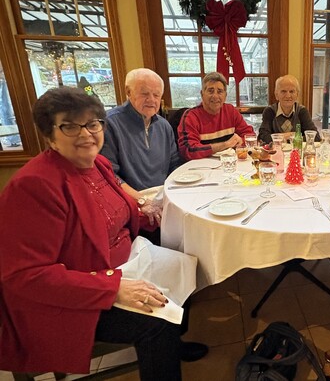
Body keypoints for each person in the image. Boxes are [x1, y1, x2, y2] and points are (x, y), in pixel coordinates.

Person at [0, 87, 207, 380]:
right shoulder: (33, 186)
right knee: (157, 324)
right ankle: (165, 338)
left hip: (123, 263)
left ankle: (174, 340)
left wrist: (146, 214)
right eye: (70, 126)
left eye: (92, 123)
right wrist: (113, 288)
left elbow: (111, 214)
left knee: (184, 263)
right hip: (76, 295)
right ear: (50, 136)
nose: (86, 133)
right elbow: (24, 276)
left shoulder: (98, 163)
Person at [101, 68, 181, 224]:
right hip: (130, 202)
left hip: (163, 196)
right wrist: (141, 201)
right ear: (128, 92)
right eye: (144, 93)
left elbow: (174, 165)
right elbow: (108, 175)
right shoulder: (110, 124)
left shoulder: (164, 126)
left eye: (156, 95)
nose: (151, 100)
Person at [178, 72, 256, 160]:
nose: (215, 96)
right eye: (210, 91)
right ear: (202, 94)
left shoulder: (231, 111)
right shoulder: (191, 117)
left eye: (220, 92)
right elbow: (188, 150)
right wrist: (225, 145)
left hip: (230, 163)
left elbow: (250, 136)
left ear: (225, 96)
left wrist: (241, 140)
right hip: (202, 165)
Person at [258, 75, 319, 144]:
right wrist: (288, 136)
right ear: (276, 95)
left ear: (297, 95)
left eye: (292, 91)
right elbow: (263, 137)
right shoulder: (270, 111)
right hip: (277, 150)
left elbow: (315, 137)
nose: (288, 96)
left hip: (297, 150)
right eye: (283, 91)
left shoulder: (302, 111)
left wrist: (281, 138)